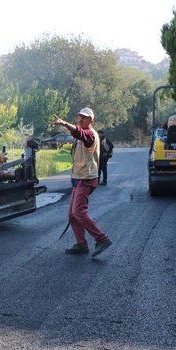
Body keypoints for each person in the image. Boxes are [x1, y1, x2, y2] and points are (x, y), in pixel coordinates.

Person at [53, 108, 112, 257]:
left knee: (78, 211)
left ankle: (102, 239)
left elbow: (79, 133)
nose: (80, 119)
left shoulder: (90, 135)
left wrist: (64, 123)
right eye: (79, 117)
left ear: (91, 120)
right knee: (72, 215)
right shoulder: (81, 134)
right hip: (79, 178)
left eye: (84, 118)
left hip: (87, 179)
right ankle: (81, 244)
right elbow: (78, 134)